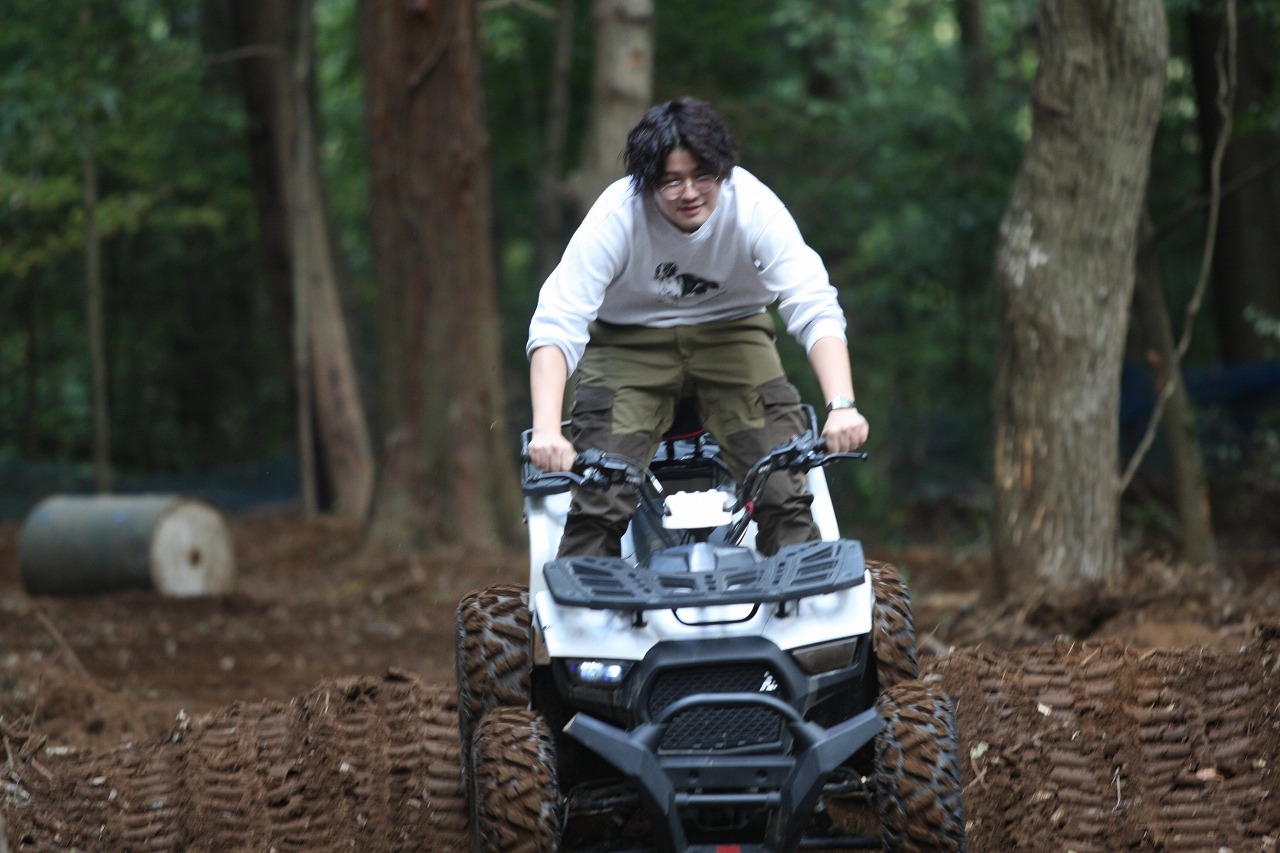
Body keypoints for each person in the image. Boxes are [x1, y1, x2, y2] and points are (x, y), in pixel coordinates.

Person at [526, 96, 868, 558]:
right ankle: (584, 597)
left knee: (781, 486)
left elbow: (813, 302)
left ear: (723, 170)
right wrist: (547, 430)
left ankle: (805, 596)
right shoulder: (617, 215)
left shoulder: (752, 206)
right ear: (647, 180)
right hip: (628, 343)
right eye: (672, 181)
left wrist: (842, 406)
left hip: (732, 334)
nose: (690, 193)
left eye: (703, 176)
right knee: (601, 494)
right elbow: (557, 321)